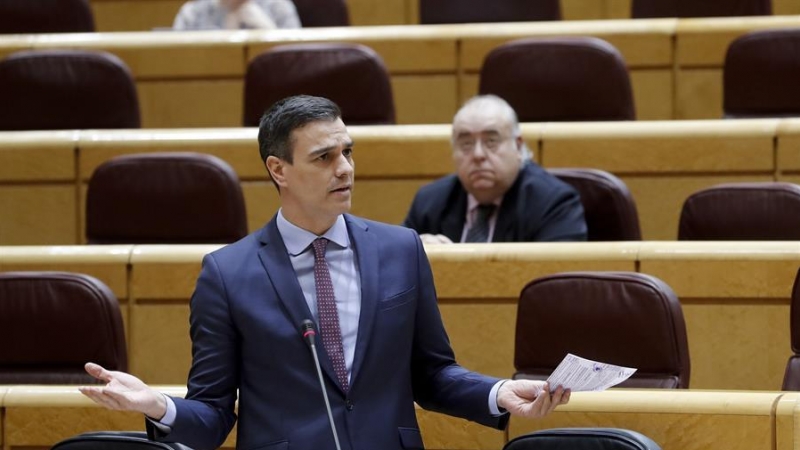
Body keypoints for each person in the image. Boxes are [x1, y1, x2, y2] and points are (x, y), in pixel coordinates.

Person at [79, 95, 570, 450]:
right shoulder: (227, 275)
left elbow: (432, 373)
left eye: (348, 152)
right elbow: (210, 416)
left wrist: (498, 392)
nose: (345, 169)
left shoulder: (401, 249)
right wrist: (155, 406)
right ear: (279, 169)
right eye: (325, 157)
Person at [402, 95, 587, 244]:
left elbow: (554, 282)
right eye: (466, 144)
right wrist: (415, 253)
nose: (477, 155)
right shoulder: (429, 201)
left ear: (518, 146)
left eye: (491, 142)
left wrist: (456, 265)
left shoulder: (553, 203)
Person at [173, 0, 301, 30]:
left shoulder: (280, 7)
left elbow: (298, 63)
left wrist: (268, 31)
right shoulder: (191, 14)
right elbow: (174, 63)